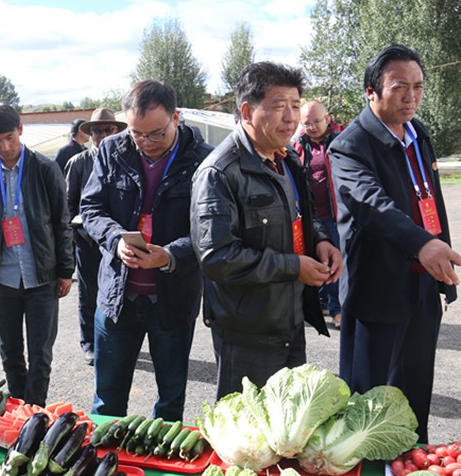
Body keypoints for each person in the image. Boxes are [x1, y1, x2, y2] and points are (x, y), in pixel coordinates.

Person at [329, 44, 460, 442]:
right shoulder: (350, 145)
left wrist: (439, 268)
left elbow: (430, 202)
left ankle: (412, 466)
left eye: (418, 86)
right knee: (368, 407)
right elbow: (372, 205)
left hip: (422, 284)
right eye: (399, 86)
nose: (411, 96)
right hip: (378, 292)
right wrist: (422, 244)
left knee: (415, 396)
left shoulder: (418, 134)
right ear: (371, 91)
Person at [190, 62, 342, 399]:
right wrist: (294, 266)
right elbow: (217, 257)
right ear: (247, 111)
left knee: (287, 422)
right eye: (279, 106)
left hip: (290, 318)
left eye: (295, 106)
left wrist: (321, 241)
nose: (291, 118)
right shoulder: (219, 172)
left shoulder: (287, 160)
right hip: (247, 331)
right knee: (247, 425)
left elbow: (301, 216)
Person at [80, 82, 212, 421]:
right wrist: (115, 240)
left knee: (170, 401)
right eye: (137, 134)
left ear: (176, 118)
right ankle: (106, 454)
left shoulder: (203, 160)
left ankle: (161, 456)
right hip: (117, 296)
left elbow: (210, 230)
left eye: (156, 134)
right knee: (107, 400)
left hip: (172, 299)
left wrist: (170, 255)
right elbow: (91, 209)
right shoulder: (112, 150)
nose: (146, 142)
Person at [0, 103, 74, 406]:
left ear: (20, 129)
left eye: (9, 138)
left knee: (40, 354)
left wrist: (65, 271)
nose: (5, 147)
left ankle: (35, 414)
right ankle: (18, 411)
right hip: (1, 279)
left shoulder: (44, 169)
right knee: (10, 352)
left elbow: (62, 221)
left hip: (40, 277)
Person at [65, 108, 126, 366]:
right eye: (97, 131)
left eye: (108, 130)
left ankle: (115, 342)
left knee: (118, 293)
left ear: (116, 131)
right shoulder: (78, 163)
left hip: (117, 243)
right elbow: (68, 204)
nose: (103, 135)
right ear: (90, 135)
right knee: (88, 294)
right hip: (88, 242)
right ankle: (89, 342)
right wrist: (74, 236)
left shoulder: (124, 160)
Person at [293, 100, 343, 328]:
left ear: (327, 119)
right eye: (307, 123)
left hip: (335, 214)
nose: (312, 127)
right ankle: (322, 303)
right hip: (309, 216)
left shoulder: (341, 140)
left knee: (333, 260)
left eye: (316, 121)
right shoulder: (297, 145)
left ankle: (337, 309)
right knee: (315, 260)